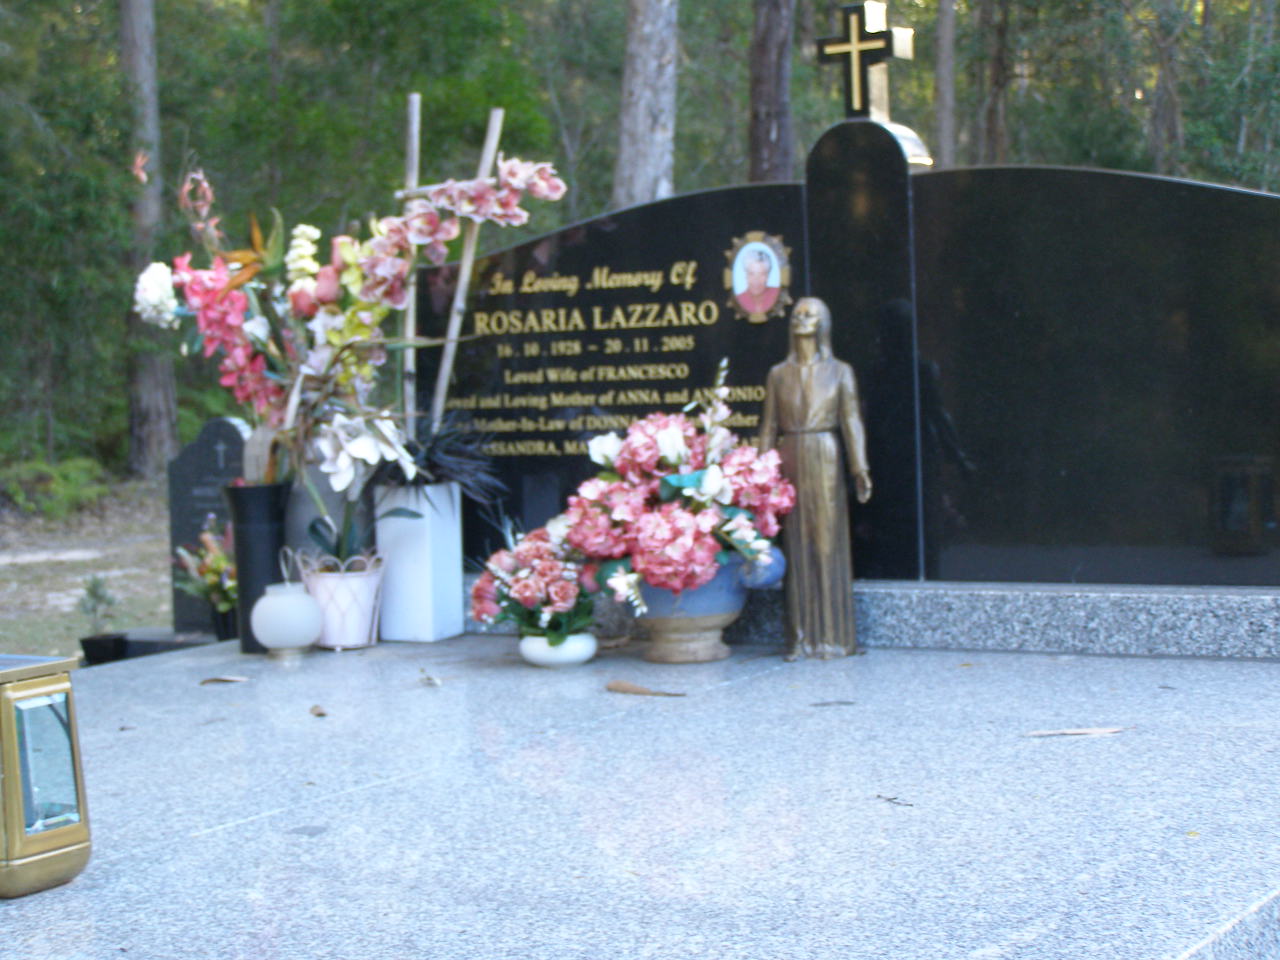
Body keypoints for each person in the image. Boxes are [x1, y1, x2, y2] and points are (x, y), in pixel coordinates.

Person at [758, 297, 872, 659]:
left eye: (809, 314)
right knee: (797, 545)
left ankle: (833, 636)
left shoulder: (840, 371)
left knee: (825, 542)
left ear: (824, 323)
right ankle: (801, 637)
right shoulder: (778, 374)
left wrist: (859, 467)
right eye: (796, 314)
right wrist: (760, 474)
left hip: (825, 453)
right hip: (791, 454)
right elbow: (769, 426)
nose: (800, 319)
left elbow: (851, 419)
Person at [736, 249, 780, 315]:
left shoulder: (777, 295)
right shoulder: (739, 299)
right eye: (751, 274)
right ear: (746, 276)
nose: (756, 280)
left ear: (767, 276)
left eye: (762, 274)